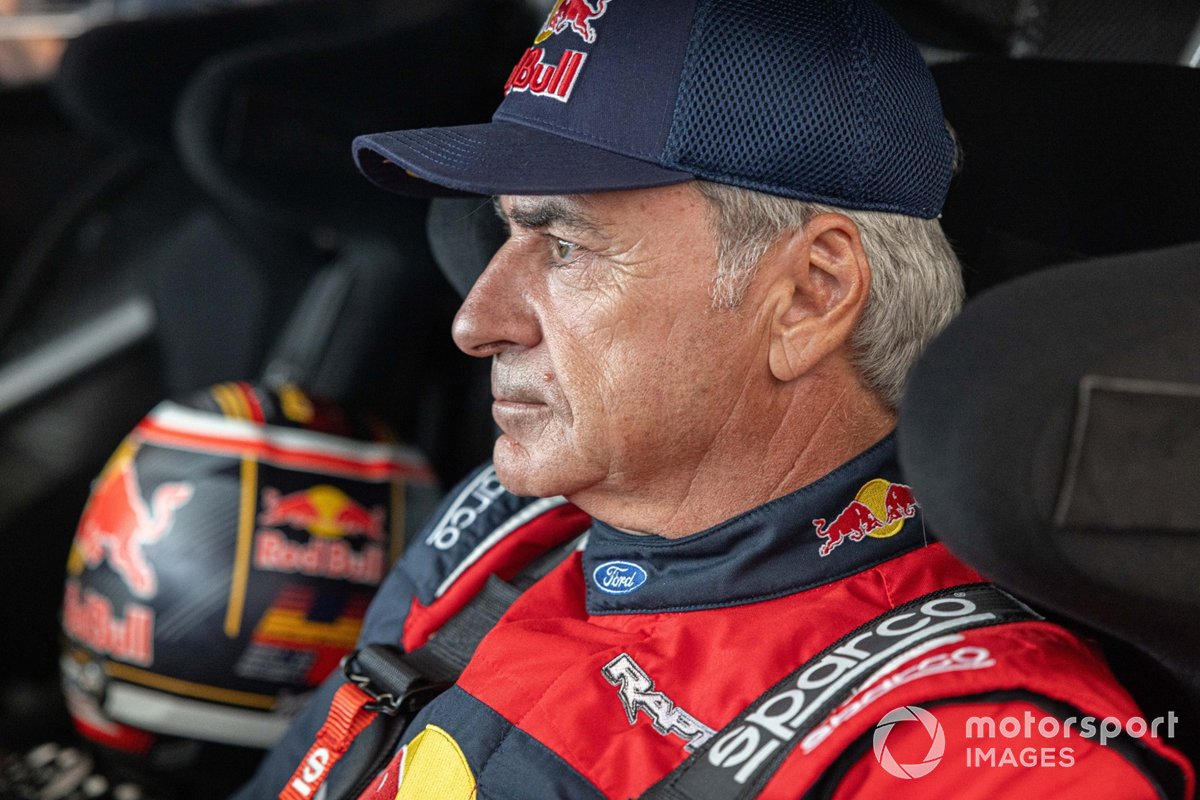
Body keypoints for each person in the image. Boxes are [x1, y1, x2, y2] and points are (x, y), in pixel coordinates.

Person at [233, 0, 1194, 797]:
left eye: (564, 245)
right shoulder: (500, 533)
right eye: (506, 236)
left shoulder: (977, 759)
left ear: (810, 295)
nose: (475, 322)